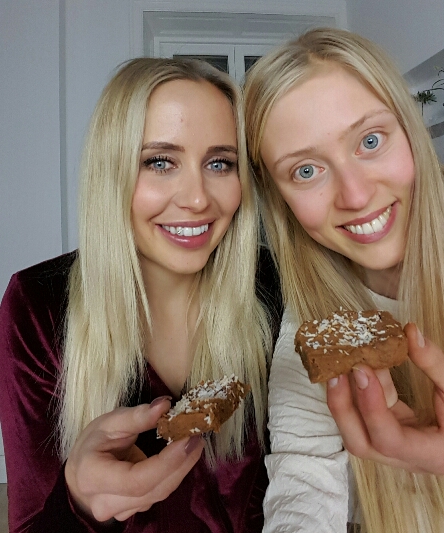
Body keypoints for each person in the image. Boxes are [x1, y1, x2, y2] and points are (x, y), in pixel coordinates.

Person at [0, 57, 282, 532]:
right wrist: (80, 501)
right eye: (160, 162)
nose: (197, 198)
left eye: (220, 163)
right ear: (112, 171)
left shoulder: (271, 287)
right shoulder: (38, 305)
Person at [244, 27, 444, 533]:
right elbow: (303, 478)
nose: (355, 195)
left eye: (370, 141)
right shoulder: (312, 328)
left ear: (409, 128)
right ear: (280, 198)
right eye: (306, 171)